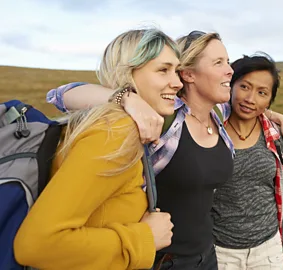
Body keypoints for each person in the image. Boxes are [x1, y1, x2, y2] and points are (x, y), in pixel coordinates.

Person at [45, 31, 283, 270]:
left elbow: (250, 106)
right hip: (163, 259)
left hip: (207, 255)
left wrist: (279, 117)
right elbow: (61, 95)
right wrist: (128, 99)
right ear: (188, 74)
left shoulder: (217, 114)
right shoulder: (162, 116)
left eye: (228, 61)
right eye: (219, 62)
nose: (230, 70)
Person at [13, 28, 179, 270]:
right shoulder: (114, 133)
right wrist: (145, 238)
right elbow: (37, 244)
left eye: (176, 70)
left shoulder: (119, 124)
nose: (177, 82)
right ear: (127, 73)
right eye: (163, 70)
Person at [212, 53, 283, 270]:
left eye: (262, 92)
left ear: (270, 99)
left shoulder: (276, 136)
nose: (250, 99)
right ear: (231, 85)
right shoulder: (209, 130)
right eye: (244, 86)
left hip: (268, 251)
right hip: (219, 252)